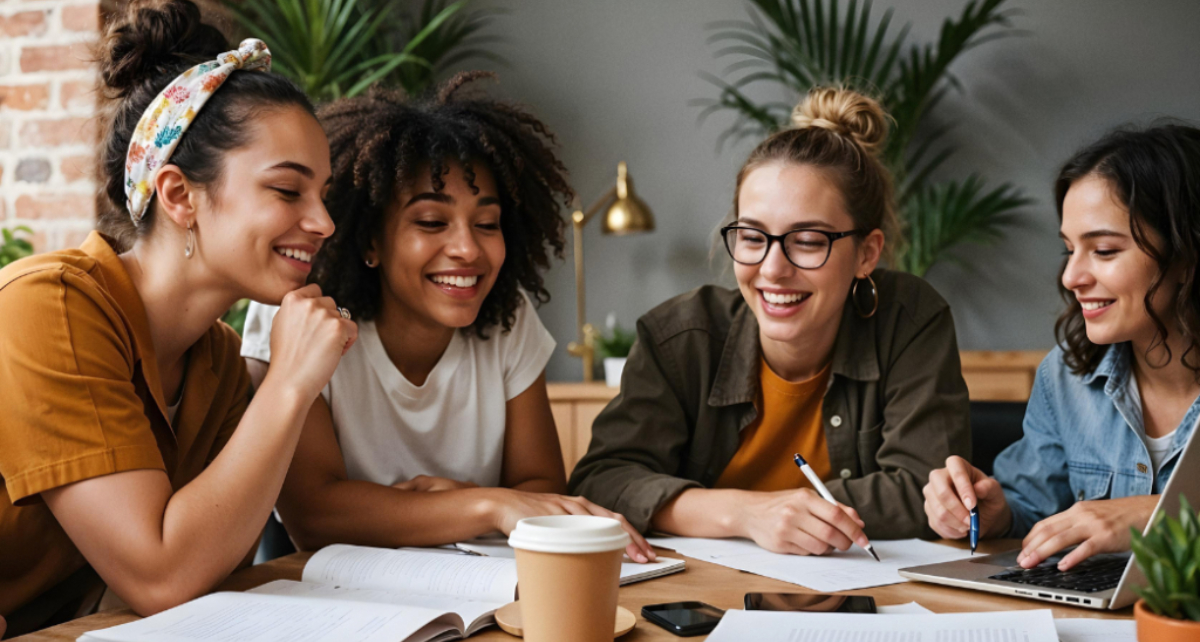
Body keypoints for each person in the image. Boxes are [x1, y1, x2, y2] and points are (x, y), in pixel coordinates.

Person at [0, 0, 356, 634]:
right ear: (178, 194)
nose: (324, 223)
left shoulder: (217, 364)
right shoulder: (49, 306)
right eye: (287, 189)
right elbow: (163, 576)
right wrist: (289, 382)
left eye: (322, 195)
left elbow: (210, 574)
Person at [240, 74, 654, 562]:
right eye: (432, 222)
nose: (467, 249)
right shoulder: (299, 315)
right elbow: (314, 516)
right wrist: (484, 505)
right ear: (371, 239)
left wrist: (465, 503)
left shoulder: (508, 317)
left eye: (487, 224)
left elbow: (541, 489)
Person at [569, 86, 971, 555]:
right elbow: (602, 482)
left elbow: (926, 489)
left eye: (808, 240)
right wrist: (746, 513)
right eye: (753, 237)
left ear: (867, 253)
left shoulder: (909, 319)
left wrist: (772, 512)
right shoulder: (678, 338)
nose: (773, 268)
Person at [923, 123, 1200, 571]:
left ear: (1186, 256)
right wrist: (993, 514)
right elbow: (1032, 506)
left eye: (1104, 250)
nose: (1072, 277)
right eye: (1069, 250)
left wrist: (1153, 514)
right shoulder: (1066, 377)